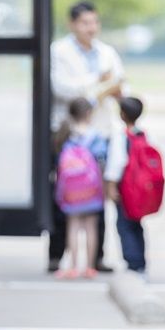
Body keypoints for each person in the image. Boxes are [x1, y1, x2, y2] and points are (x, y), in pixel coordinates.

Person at [49, 0, 126, 274]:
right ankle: (58, 255)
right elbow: (61, 88)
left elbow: (120, 84)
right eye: (85, 23)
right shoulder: (59, 51)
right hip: (70, 133)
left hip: (99, 133)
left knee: (98, 194)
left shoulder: (106, 52)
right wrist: (99, 82)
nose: (91, 28)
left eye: (94, 22)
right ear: (72, 24)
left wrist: (111, 87)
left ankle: (96, 258)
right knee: (66, 192)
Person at [54, 98, 108, 279]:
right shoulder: (96, 137)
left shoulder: (66, 134)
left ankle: (74, 266)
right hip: (91, 188)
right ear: (89, 114)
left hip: (71, 190)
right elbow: (102, 161)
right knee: (91, 226)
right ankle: (90, 267)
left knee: (73, 226)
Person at [105, 97, 147, 274]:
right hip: (141, 188)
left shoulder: (121, 137)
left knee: (124, 225)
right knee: (137, 224)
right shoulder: (144, 135)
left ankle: (132, 262)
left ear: (122, 114)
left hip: (126, 188)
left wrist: (111, 187)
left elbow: (116, 164)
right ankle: (140, 261)